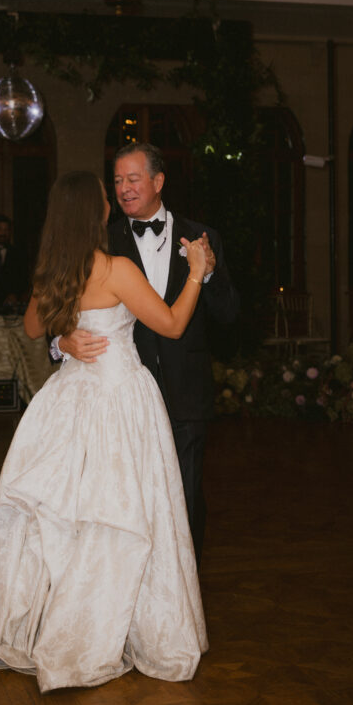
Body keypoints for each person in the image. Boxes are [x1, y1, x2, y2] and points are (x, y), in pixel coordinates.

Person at [0, 171, 209, 691]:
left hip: (67, 400)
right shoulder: (117, 269)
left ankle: (49, 617)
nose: (111, 201)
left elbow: (33, 328)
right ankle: (95, 627)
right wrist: (194, 271)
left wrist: (65, 338)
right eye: (105, 197)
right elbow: (172, 324)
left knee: (67, 515)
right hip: (119, 401)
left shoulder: (54, 270)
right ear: (95, 212)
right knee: (117, 513)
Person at [56, 143, 239, 564]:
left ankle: (181, 598)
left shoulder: (201, 236)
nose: (123, 189)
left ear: (158, 182)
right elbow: (58, 314)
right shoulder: (100, 241)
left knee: (186, 497)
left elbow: (230, 315)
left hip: (185, 394)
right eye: (117, 181)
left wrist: (206, 274)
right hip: (121, 401)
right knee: (126, 500)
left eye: (133, 179)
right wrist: (61, 343)